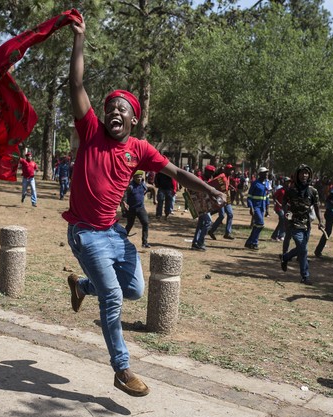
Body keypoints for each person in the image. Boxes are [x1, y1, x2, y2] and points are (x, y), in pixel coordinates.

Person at [65, 15, 224, 397]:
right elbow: (76, 84)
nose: (115, 113)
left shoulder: (139, 149)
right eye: (111, 108)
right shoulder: (91, 132)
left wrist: (212, 191)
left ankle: (81, 286)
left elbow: (177, 173)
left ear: (133, 119)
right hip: (85, 233)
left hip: (114, 234)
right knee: (115, 297)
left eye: (123, 110)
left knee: (133, 290)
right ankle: (121, 369)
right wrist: (80, 40)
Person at [279, 164, 324, 285]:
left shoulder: (313, 191)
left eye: (306, 173)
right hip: (294, 223)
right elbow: (284, 202)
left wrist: (321, 221)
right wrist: (286, 214)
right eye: (302, 173)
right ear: (297, 175)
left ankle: (286, 257)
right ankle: (305, 276)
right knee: (303, 249)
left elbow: (317, 207)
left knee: (301, 248)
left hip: (307, 223)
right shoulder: (291, 190)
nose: (304, 175)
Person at [121, 171, 151, 248]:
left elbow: (153, 188)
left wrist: (154, 199)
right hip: (131, 209)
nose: (139, 178)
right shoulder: (130, 186)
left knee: (145, 223)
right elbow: (124, 194)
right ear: (133, 178)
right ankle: (122, 239)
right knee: (130, 224)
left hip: (140, 208)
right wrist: (124, 202)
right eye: (137, 177)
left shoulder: (143, 185)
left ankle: (144, 243)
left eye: (140, 177)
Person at [208, 164, 236, 240]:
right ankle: (211, 231)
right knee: (222, 216)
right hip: (220, 197)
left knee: (230, 214)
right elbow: (213, 182)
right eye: (230, 170)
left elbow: (224, 184)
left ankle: (227, 233)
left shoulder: (228, 177)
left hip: (227, 196)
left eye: (232, 170)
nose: (232, 171)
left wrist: (229, 186)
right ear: (226, 170)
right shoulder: (222, 176)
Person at [244, 167, 270, 250]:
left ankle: (249, 243)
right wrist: (251, 207)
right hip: (256, 207)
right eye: (264, 173)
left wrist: (267, 209)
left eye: (266, 173)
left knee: (257, 225)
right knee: (261, 224)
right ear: (260, 174)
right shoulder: (255, 183)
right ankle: (254, 242)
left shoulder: (266, 183)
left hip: (262, 207)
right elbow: (249, 197)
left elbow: (267, 197)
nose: (266, 174)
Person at [270, 176, 289, 242]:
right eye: (287, 182)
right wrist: (278, 204)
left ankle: (279, 236)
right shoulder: (280, 190)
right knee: (282, 220)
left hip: (286, 208)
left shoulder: (289, 190)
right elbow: (274, 197)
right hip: (279, 208)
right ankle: (277, 235)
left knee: (284, 221)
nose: (288, 183)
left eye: (289, 182)